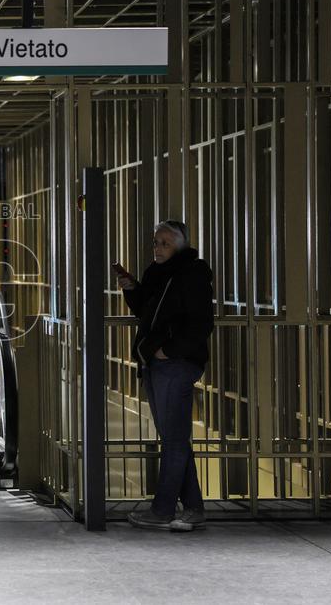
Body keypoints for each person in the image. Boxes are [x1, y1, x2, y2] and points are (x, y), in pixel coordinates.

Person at [114, 220, 214, 533]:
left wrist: (168, 351)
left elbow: (200, 323)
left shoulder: (192, 274)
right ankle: (194, 508)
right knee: (173, 438)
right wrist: (132, 289)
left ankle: (163, 509)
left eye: (164, 243)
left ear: (180, 246)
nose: (157, 248)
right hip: (158, 363)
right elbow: (148, 311)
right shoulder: (157, 273)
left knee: (173, 440)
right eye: (156, 242)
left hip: (175, 363)